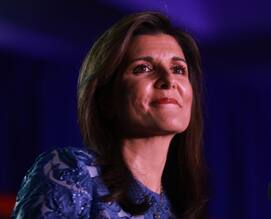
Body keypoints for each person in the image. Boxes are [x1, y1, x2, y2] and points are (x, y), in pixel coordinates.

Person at [12, 11, 208, 219]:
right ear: (106, 98)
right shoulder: (73, 172)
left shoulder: (177, 211)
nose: (168, 80)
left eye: (178, 69)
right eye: (143, 68)